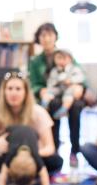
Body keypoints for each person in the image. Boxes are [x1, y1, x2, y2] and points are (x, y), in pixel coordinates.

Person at [0, 71, 63, 174]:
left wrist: (31, 154)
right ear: (4, 91)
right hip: (6, 157)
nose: (13, 93)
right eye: (10, 88)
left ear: (26, 92)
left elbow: (50, 147)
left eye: (18, 89)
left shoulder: (39, 112)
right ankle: (21, 173)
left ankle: (15, 172)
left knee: (56, 161)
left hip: (32, 157)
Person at [29, 23, 85, 164]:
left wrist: (79, 87)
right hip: (50, 95)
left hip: (68, 94)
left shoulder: (65, 54)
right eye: (43, 35)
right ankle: (53, 148)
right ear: (38, 38)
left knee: (76, 107)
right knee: (52, 105)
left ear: (55, 37)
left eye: (50, 35)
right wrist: (40, 90)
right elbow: (34, 84)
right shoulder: (35, 61)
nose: (47, 39)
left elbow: (80, 75)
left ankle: (74, 151)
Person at [44, 49, 86, 119]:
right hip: (58, 88)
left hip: (69, 88)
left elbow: (81, 77)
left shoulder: (74, 69)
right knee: (48, 93)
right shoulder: (54, 70)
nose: (61, 61)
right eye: (58, 58)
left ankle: (63, 109)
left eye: (64, 58)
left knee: (68, 96)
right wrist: (55, 83)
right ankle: (44, 105)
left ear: (70, 59)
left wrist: (71, 81)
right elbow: (50, 82)